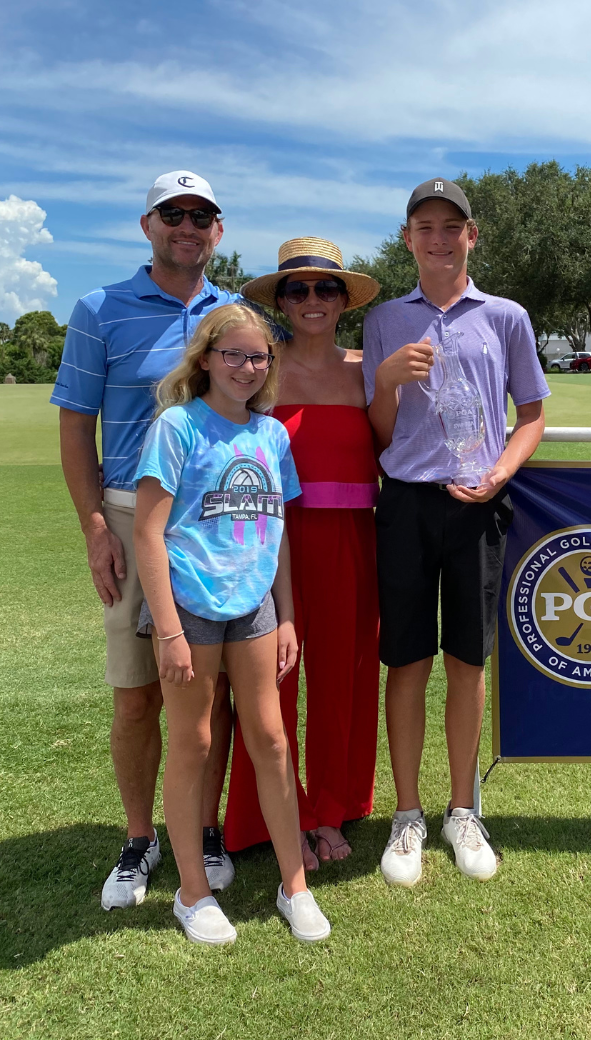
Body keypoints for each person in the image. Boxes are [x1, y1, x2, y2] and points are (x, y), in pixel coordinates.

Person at [51, 171, 238, 910]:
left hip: (216, 518)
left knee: (211, 693)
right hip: (132, 514)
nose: (187, 225)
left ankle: (206, 824)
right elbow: (75, 424)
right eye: (173, 214)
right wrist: (95, 524)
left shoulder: (235, 312)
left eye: (202, 215)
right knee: (137, 697)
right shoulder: (100, 309)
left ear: (217, 232)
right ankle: (140, 837)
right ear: (148, 224)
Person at [363, 178, 549, 886]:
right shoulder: (384, 320)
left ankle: (462, 808)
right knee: (407, 660)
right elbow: (379, 431)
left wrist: (500, 472)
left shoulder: (505, 317)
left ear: (473, 235)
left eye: (452, 226)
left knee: (469, 662)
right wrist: (384, 380)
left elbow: (530, 414)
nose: (438, 239)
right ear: (407, 239)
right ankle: (407, 814)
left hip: (478, 506)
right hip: (406, 504)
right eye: (424, 227)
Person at [133, 302, 330, 945]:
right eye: (234, 355)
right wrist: (166, 629)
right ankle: (192, 893)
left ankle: (293, 883)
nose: (247, 367)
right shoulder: (177, 426)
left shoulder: (271, 436)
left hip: (256, 607)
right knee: (192, 742)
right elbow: (149, 533)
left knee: (270, 740)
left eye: (258, 357)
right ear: (206, 360)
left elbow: (279, 533)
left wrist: (291, 617)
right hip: (189, 608)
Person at [224, 238, 381, 870]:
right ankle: (274, 813)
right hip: (269, 543)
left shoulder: (369, 368)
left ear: (344, 299)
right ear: (281, 301)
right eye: (297, 289)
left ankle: (332, 809)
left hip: (353, 539)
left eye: (325, 288)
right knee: (271, 684)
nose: (311, 300)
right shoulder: (260, 368)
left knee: (344, 680)